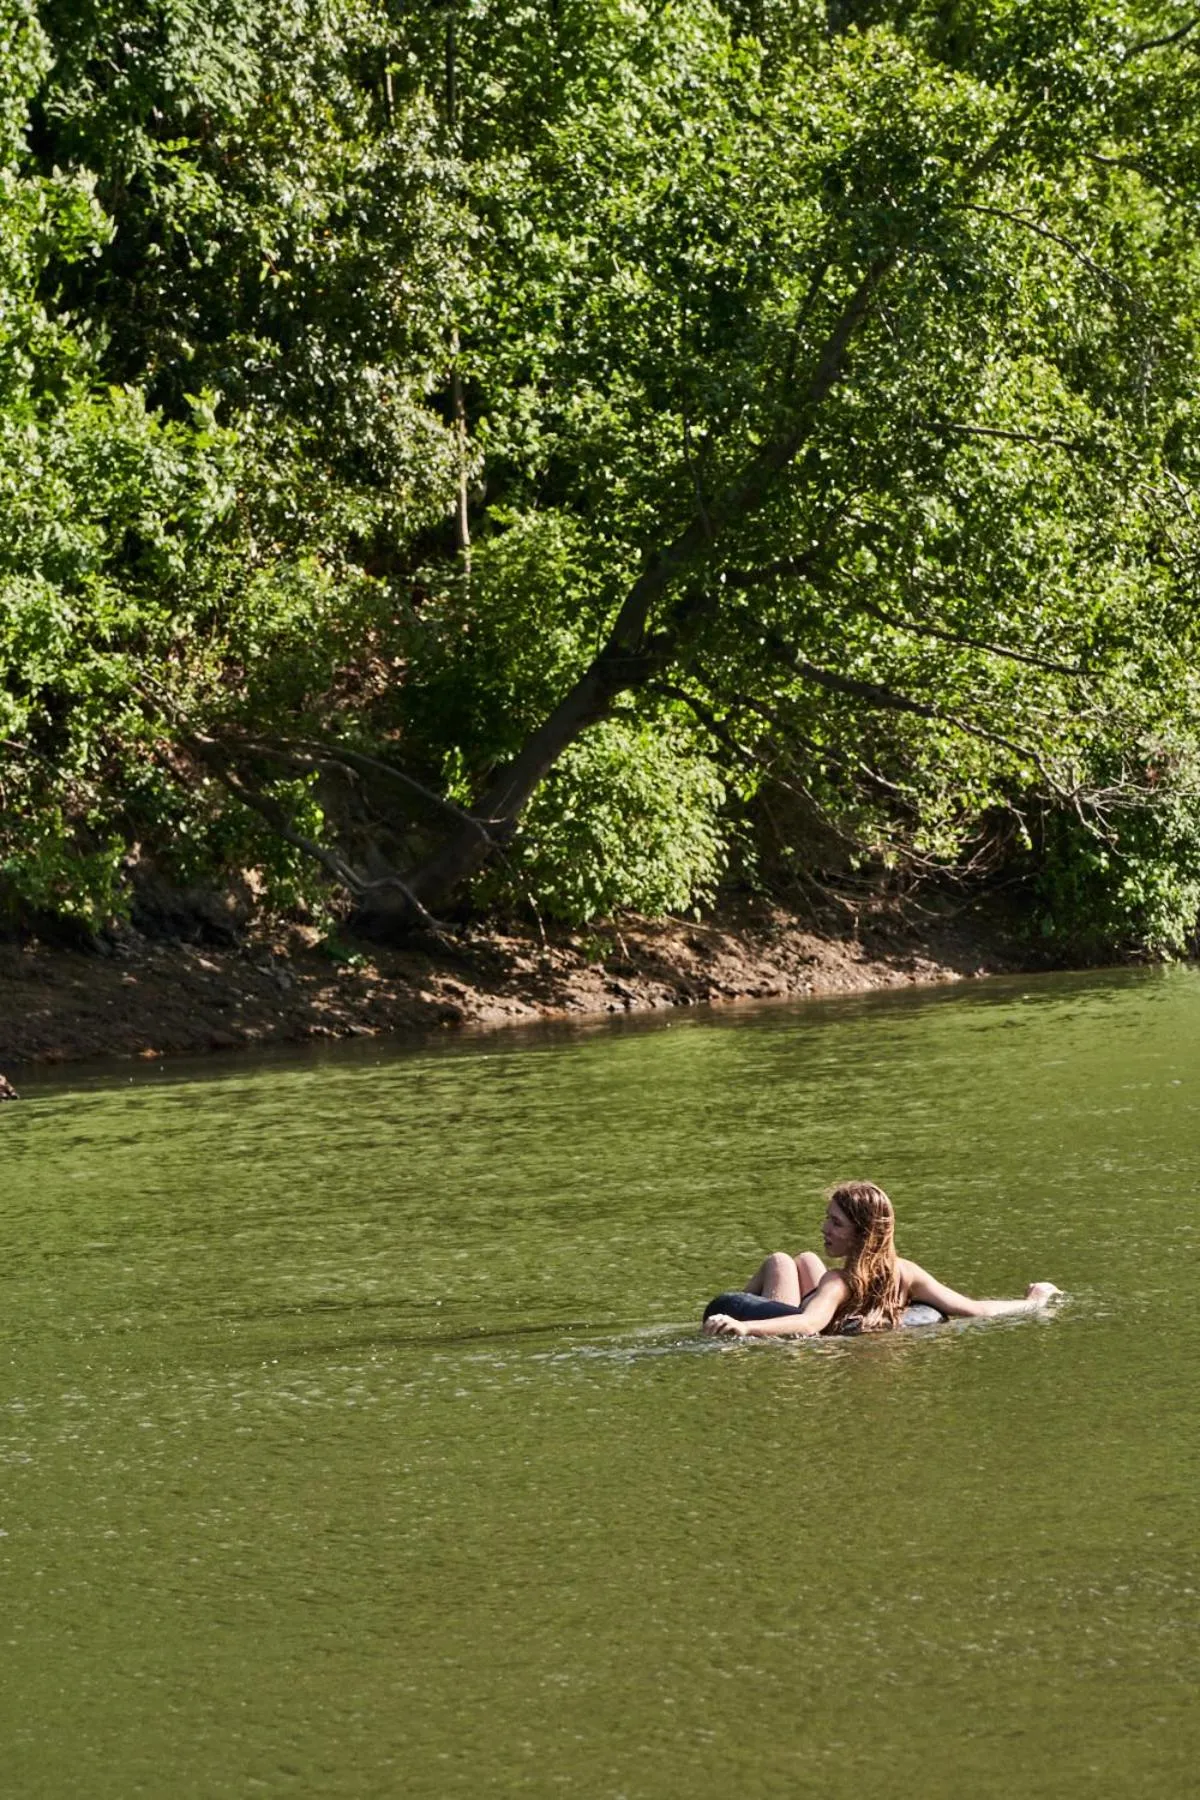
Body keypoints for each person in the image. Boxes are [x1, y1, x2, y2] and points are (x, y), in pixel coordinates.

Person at [702, 1180, 1061, 1338]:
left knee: (780, 1261)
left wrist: (745, 1326)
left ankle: (724, 1318)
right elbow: (975, 1309)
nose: (824, 1227)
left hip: (804, 1314)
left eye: (835, 1222)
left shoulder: (838, 1283)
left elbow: (810, 1324)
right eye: (827, 1217)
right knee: (808, 1257)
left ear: (861, 1233)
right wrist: (1033, 1302)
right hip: (841, 1306)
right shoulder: (906, 1272)